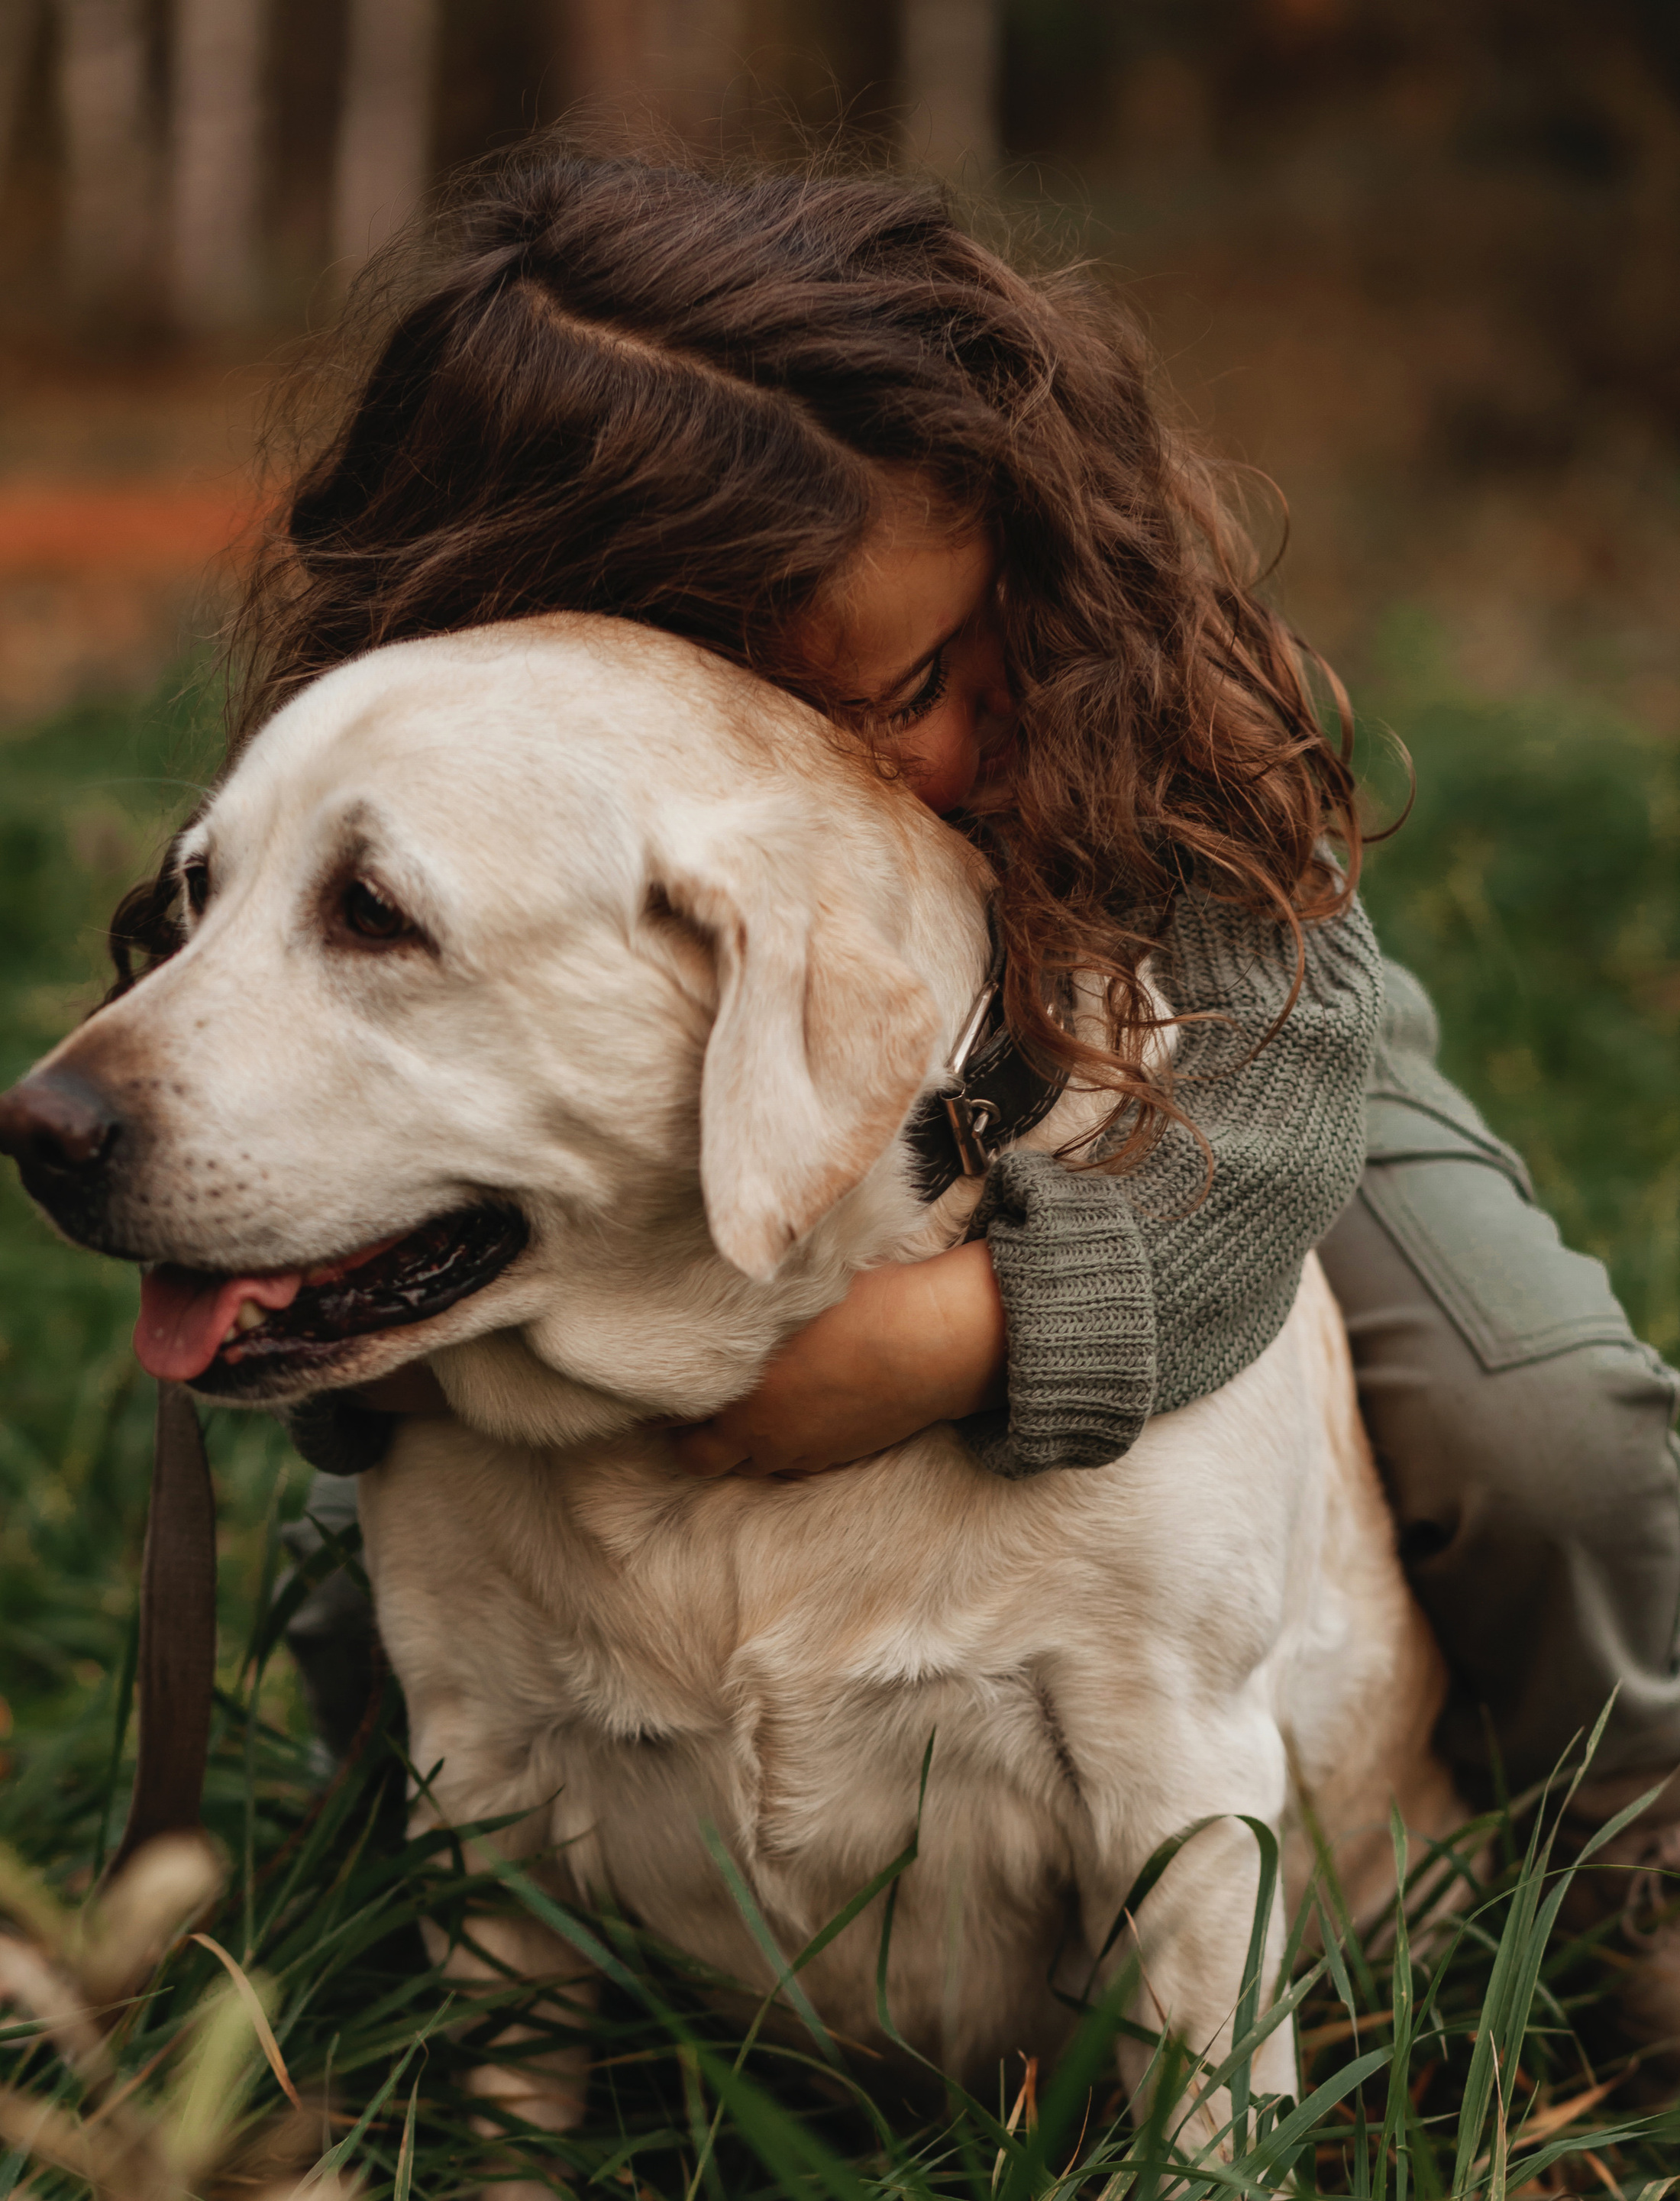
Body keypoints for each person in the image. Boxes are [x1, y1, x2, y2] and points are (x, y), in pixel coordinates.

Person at [119, 150, 1680, 1908]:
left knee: (1545, 1436)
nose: (1003, 698)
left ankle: (1635, 1843)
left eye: (986, 622)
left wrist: (986, 1322)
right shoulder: (465, 791)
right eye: (906, 693)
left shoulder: (1103, 698)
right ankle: (492, 1909)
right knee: (372, 1556)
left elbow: (1272, 1112)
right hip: (666, 1167)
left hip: (1200, 1074)